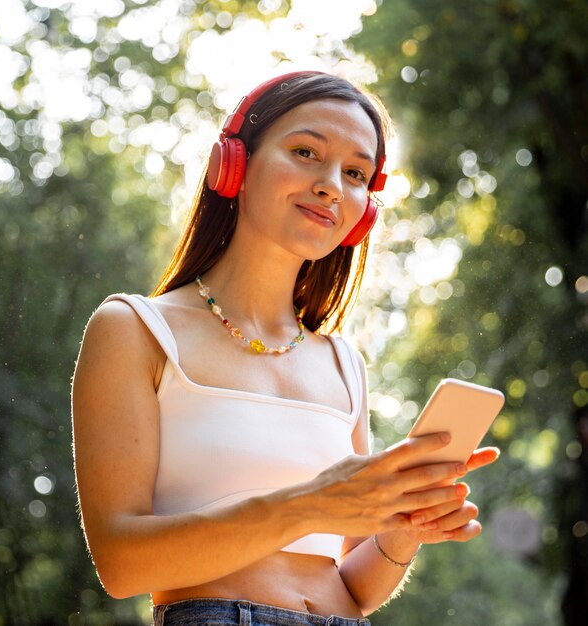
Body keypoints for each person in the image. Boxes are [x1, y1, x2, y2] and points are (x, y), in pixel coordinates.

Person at [71, 71, 500, 626]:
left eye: (355, 174)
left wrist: (400, 533)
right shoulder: (135, 329)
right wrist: (312, 504)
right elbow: (121, 564)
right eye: (305, 152)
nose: (331, 185)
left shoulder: (344, 364)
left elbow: (353, 586)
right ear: (234, 165)